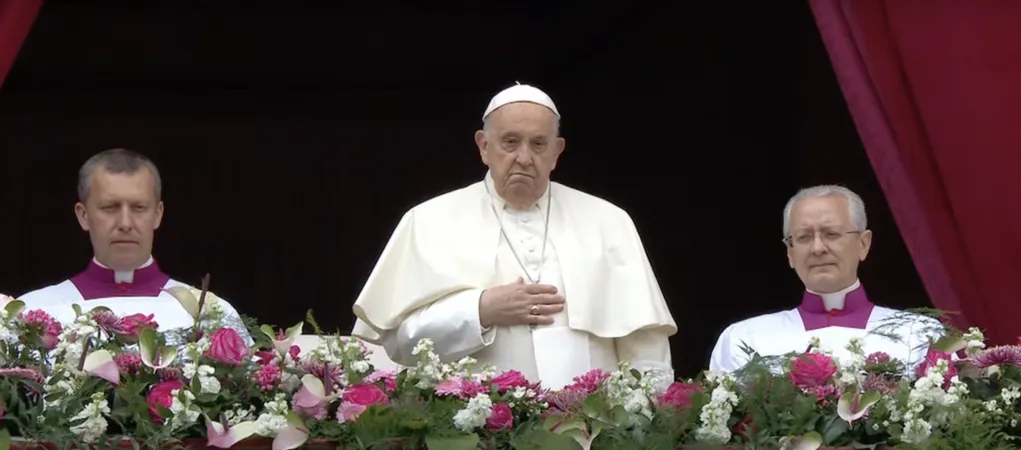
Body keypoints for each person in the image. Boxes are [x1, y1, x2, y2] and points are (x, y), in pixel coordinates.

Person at [351, 83, 677, 390]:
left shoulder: (609, 221)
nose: (524, 157)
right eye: (510, 142)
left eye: (538, 144)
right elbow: (400, 344)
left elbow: (646, 349)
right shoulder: (427, 221)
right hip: (473, 423)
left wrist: (647, 414)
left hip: (594, 423)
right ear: (484, 146)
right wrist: (479, 310)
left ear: (556, 152)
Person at [18, 149, 252, 345]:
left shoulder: (211, 315)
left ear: (157, 214)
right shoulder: (33, 315)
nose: (125, 223)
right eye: (110, 207)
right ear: (83, 215)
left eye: (139, 207)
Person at [708, 185, 943, 373]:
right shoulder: (744, 340)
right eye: (803, 237)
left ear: (863, 244)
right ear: (789, 252)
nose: (818, 248)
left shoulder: (919, 334)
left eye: (831, 234)